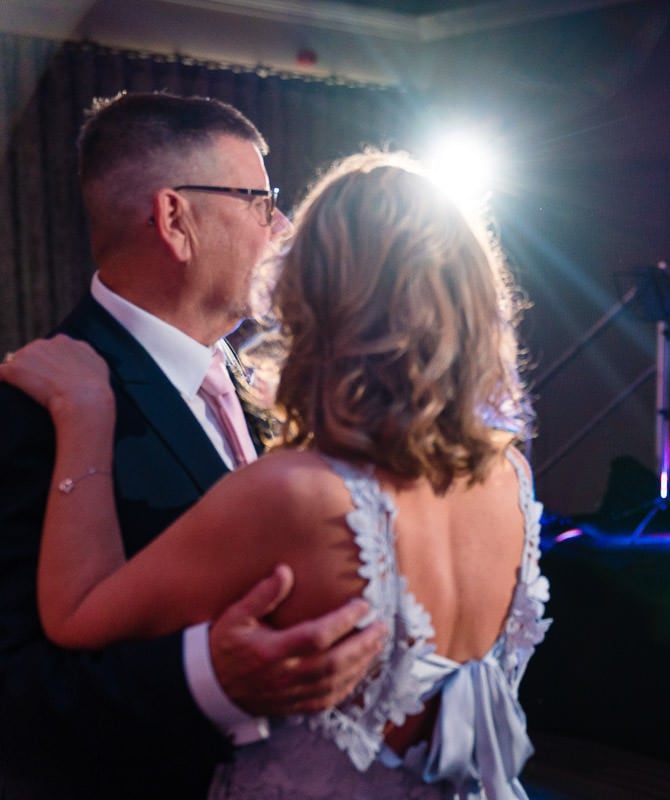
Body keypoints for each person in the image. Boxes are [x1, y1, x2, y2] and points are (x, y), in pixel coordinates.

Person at [1, 149, 549, 799]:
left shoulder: (293, 489)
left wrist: (87, 417)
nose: (278, 228)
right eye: (262, 203)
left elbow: (76, 614)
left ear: (314, 293)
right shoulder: (509, 476)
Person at [0, 92, 386, 798]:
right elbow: (16, 686)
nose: (282, 226)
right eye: (261, 201)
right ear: (176, 219)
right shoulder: (32, 408)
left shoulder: (265, 382)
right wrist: (206, 677)